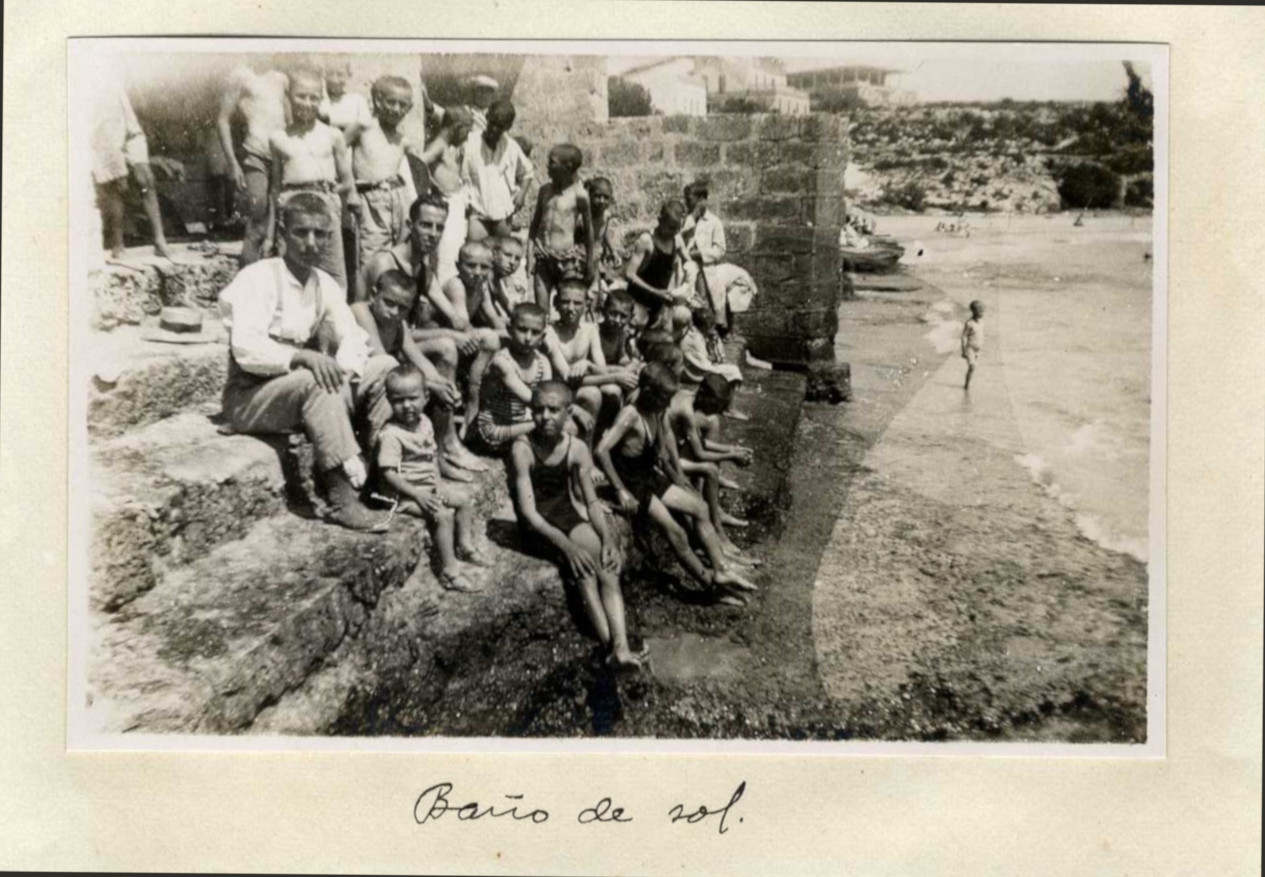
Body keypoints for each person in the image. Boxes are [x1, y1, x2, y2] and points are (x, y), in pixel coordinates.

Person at [217, 192, 392, 531]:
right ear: (282, 233)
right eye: (301, 232)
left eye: (320, 234)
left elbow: (353, 336)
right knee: (316, 380)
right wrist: (303, 356)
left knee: (384, 366)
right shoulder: (258, 278)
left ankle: (376, 470)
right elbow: (246, 348)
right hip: (249, 396)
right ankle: (341, 499)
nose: (311, 243)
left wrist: (343, 370)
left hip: (297, 389)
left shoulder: (323, 283)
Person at [595, 364, 756, 605]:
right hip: (633, 483)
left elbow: (661, 451)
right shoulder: (630, 414)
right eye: (664, 398)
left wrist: (676, 476)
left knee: (700, 508)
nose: (667, 403)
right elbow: (601, 450)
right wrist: (619, 490)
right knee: (676, 531)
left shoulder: (657, 411)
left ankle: (720, 568)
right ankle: (708, 584)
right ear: (648, 391)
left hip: (649, 474)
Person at [509, 382, 643, 670]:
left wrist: (609, 539)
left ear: (568, 412)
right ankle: (612, 646)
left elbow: (592, 503)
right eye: (538, 410)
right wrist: (568, 548)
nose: (545, 416)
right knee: (583, 568)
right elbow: (528, 512)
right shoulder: (523, 449)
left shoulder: (577, 447)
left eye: (553, 410)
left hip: (566, 515)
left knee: (605, 562)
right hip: (537, 528)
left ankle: (620, 645)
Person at [358, 195, 488, 473]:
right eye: (426, 225)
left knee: (456, 344)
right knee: (445, 347)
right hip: (373, 348)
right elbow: (391, 327)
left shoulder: (422, 267)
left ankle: (445, 447)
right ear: (410, 224)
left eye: (439, 228)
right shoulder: (387, 263)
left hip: (398, 339)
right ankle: (447, 446)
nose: (433, 234)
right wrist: (446, 348)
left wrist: (474, 333)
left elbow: (454, 317)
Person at [351, 270, 473, 482]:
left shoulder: (398, 323)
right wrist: (432, 387)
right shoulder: (361, 312)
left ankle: (438, 457)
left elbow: (417, 357)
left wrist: (444, 386)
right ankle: (386, 464)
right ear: (373, 295)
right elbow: (385, 364)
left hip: (382, 388)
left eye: (402, 308)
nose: (394, 312)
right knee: (405, 385)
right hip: (355, 390)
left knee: (435, 388)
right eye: (388, 303)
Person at [376, 365, 489, 593]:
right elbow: (388, 473)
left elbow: (431, 458)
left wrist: (437, 483)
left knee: (464, 499)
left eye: (413, 398)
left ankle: (465, 546)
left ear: (426, 397)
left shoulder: (425, 423)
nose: (407, 405)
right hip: (403, 494)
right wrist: (419, 494)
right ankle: (450, 572)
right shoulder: (391, 434)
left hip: (426, 487)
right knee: (443, 515)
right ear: (388, 400)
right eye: (399, 400)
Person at [265, 67, 357, 291]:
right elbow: (275, 189)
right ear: (289, 97)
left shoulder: (333, 136)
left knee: (334, 274)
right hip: (291, 207)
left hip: (325, 208)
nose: (307, 103)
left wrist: (338, 195)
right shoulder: (278, 138)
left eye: (313, 97)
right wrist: (269, 236)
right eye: (301, 96)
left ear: (321, 99)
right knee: (291, 275)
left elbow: (347, 180)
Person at [667, 373, 756, 559]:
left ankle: (715, 509)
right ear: (705, 398)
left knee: (713, 420)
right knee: (711, 470)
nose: (714, 410)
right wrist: (731, 456)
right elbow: (700, 453)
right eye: (713, 405)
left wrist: (733, 449)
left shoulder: (690, 397)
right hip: (667, 460)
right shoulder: (687, 412)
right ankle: (718, 530)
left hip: (675, 449)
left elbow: (700, 443)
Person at [217, 56, 289, 268]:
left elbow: (290, 120)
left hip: (281, 156)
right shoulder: (240, 75)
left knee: (283, 221)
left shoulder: (281, 78)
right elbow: (222, 120)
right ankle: (246, 283)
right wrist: (232, 163)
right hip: (255, 155)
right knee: (258, 218)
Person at [91, 77, 173, 259]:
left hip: (129, 125)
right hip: (104, 132)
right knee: (116, 186)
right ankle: (117, 243)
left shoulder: (115, 76)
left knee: (146, 179)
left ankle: (160, 240)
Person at [346, 75, 420, 266]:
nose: (397, 109)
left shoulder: (402, 140)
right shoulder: (363, 127)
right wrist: (350, 191)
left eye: (403, 105)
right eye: (391, 102)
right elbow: (340, 154)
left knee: (398, 252)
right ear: (378, 101)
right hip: (371, 200)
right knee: (372, 254)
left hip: (398, 199)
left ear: (409, 108)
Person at [547, 280, 638, 432]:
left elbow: (601, 369)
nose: (571, 308)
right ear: (556, 303)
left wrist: (589, 365)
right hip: (557, 389)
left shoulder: (589, 330)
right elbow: (567, 378)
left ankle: (599, 436)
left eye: (577, 303)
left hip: (578, 386)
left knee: (611, 390)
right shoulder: (550, 333)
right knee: (594, 393)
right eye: (565, 302)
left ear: (586, 305)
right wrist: (616, 377)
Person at [431, 241, 504, 430]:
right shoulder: (456, 285)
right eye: (471, 265)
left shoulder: (482, 286)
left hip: (458, 343)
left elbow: (494, 318)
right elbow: (463, 327)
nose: (478, 272)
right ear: (458, 266)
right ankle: (473, 397)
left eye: (484, 267)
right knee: (490, 339)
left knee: (503, 343)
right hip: (436, 341)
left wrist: (513, 335)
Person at [471, 303, 552, 455]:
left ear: (543, 336)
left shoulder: (543, 362)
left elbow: (548, 397)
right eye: (522, 330)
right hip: (495, 429)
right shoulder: (502, 361)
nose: (528, 338)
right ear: (509, 329)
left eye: (535, 332)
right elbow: (536, 401)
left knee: (556, 424)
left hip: (522, 423)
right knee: (551, 423)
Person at [527, 143, 595, 314]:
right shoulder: (544, 191)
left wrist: (589, 263)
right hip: (543, 259)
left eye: (552, 163)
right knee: (541, 312)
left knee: (568, 309)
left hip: (567, 262)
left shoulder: (580, 195)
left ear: (567, 167)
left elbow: (588, 232)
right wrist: (529, 255)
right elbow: (534, 225)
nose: (547, 166)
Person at [461, 98, 533, 242]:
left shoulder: (511, 147)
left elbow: (528, 172)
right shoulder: (470, 142)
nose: (494, 129)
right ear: (487, 117)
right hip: (477, 210)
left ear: (508, 127)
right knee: (474, 252)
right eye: (492, 123)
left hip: (502, 212)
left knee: (500, 255)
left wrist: (521, 195)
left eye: (500, 127)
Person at [624, 201, 692, 331]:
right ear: (660, 221)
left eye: (677, 228)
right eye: (671, 227)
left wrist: (688, 287)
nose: (674, 232)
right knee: (637, 327)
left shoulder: (676, 240)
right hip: (640, 301)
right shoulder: (647, 240)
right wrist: (655, 292)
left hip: (660, 303)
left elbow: (689, 264)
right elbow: (629, 274)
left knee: (681, 319)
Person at [681, 180, 729, 330]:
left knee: (706, 301)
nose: (689, 205)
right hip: (688, 266)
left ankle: (710, 330)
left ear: (702, 200)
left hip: (706, 267)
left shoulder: (714, 222)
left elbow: (720, 250)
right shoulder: (686, 220)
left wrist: (700, 254)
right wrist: (690, 220)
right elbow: (679, 239)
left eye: (691, 201)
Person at [585, 177, 628, 304]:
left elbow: (603, 233)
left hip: (595, 263)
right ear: (589, 195)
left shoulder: (606, 215)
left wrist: (613, 250)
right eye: (597, 196)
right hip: (580, 262)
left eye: (606, 197)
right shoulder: (584, 216)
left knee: (594, 298)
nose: (601, 201)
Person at [489, 235, 533, 318]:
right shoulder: (487, 274)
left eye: (517, 258)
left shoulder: (497, 277)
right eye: (507, 255)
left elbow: (505, 303)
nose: (512, 262)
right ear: (495, 253)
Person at [962, 299, 985, 390]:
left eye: (983, 311)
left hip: (978, 349)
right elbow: (963, 337)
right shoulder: (969, 323)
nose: (982, 313)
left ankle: (968, 384)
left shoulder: (982, 323)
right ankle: (966, 386)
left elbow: (980, 335)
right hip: (970, 348)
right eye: (980, 311)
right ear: (974, 311)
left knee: (972, 368)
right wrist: (964, 350)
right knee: (972, 366)